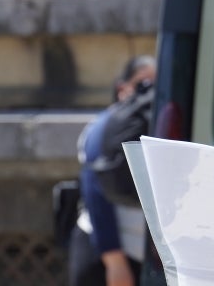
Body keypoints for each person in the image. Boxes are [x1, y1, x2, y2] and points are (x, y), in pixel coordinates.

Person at [68, 55, 155, 286]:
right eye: (142, 84)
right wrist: (114, 260)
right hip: (107, 252)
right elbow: (96, 193)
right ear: (122, 88)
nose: (150, 93)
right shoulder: (106, 126)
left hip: (143, 253)